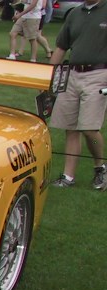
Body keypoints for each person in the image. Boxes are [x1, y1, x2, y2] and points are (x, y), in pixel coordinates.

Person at [48, 0, 107, 189]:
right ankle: (68, 176)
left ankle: (101, 167)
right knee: (70, 128)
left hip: (99, 74)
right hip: (71, 74)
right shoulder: (74, 14)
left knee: (89, 129)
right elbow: (61, 47)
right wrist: (46, 77)